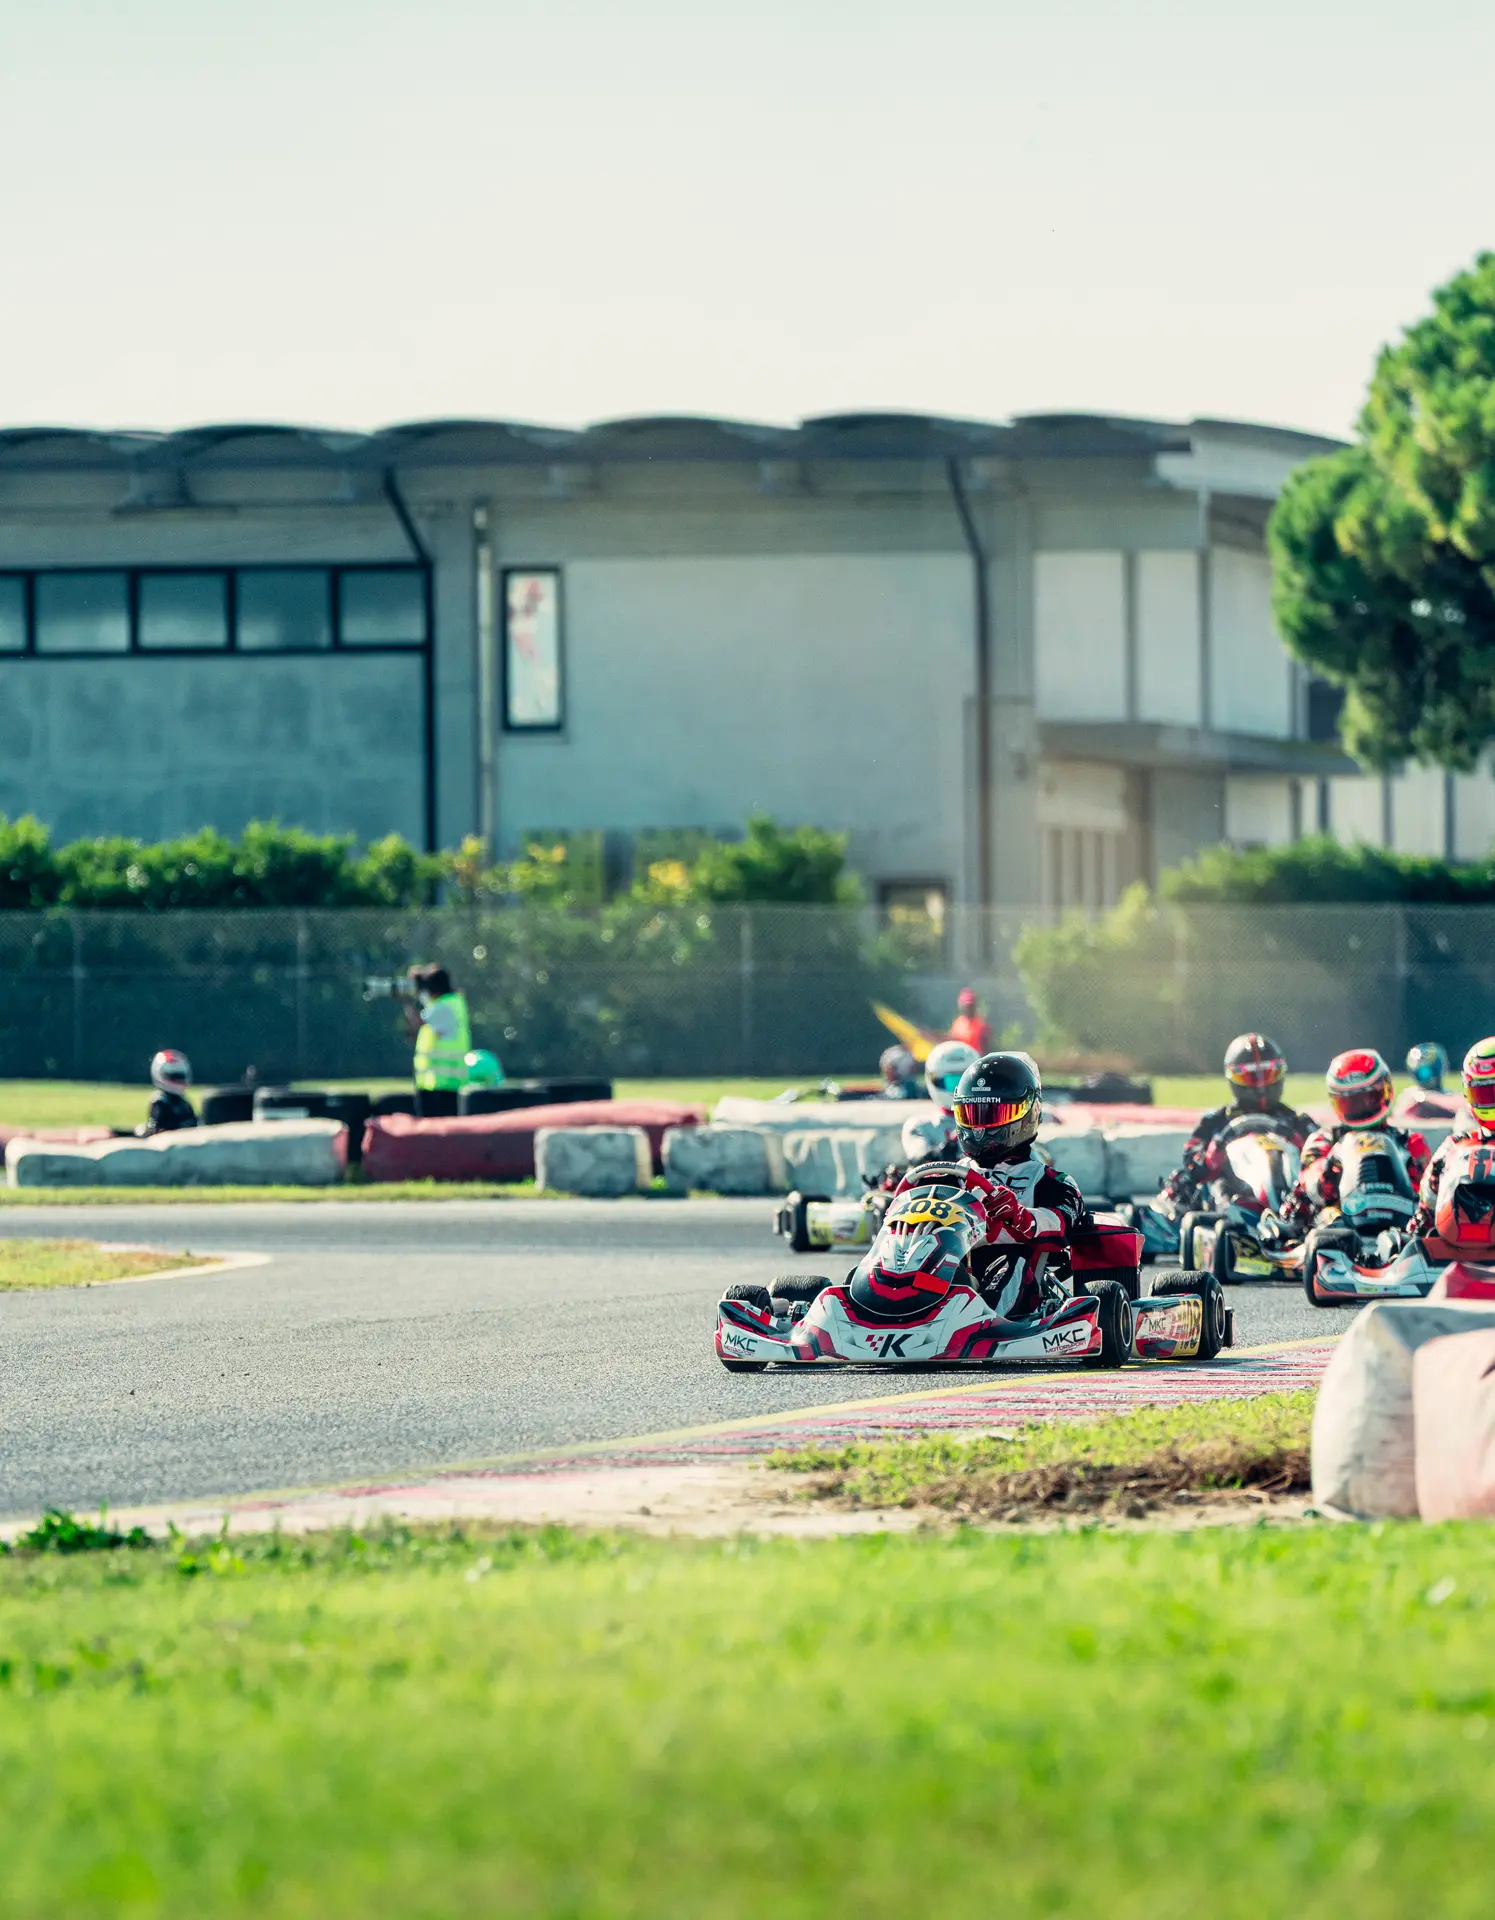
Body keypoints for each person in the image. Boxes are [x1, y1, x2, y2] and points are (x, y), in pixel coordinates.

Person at [892, 1050, 1084, 1320]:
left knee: (1011, 1266)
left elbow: (1062, 1223)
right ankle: (876, 1308)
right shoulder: (948, 1175)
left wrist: (1021, 1217)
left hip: (1010, 1273)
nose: (980, 1129)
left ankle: (981, 1322)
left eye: (992, 1116)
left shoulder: (1049, 1181)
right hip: (947, 1271)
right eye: (972, 1115)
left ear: (1026, 1113)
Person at [1155, 1033, 1313, 1217]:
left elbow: (1323, 1159)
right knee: (1212, 1184)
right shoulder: (1215, 1121)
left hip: (1293, 1197)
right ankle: (1230, 1218)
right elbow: (1192, 1161)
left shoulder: (1297, 1121)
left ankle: (1295, 1215)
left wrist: (1302, 1147)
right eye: (1251, 1077)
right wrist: (1213, 1156)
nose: (1261, 1085)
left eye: (1267, 1074)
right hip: (1235, 1193)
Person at [1276, 1049, 1428, 1239]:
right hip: (1342, 1225)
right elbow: (1312, 1183)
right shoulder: (1323, 1141)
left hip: (1403, 1226)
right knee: (1325, 1216)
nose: (1362, 1107)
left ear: (1386, 1091)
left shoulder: (1410, 1142)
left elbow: (1427, 1192)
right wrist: (1329, 1173)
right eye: (1352, 1102)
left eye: (1369, 1097)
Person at [1405, 1037, 1495, 1241]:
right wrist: (1436, 1184)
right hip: (1460, 1244)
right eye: (1484, 1092)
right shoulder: (1457, 1145)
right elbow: (1427, 1204)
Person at [895, 1039, 980, 1168]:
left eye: (964, 1081)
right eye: (952, 1082)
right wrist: (941, 1154)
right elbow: (919, 1158)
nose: (958, 1088)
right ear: (934, 1080)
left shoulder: (990, 1123)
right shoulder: (921, 1125)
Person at [405, 964, 471, 1116]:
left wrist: (407, 1002)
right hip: (439, 1082)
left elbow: (418, 1021)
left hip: (442, 1084)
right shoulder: (453, 1002)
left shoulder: (445, 1006)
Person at [137, 1049, 197, 1136]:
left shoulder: (184, 1103)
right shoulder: (160, 1102)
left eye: (180, 1076)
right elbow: (156, 1130)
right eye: (173, 1076)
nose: (177, 1079)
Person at [949, 988, 990, 1054]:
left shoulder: (981, 1024)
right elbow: (952, 1042)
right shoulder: (958, 1023)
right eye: (966, 1006)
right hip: (961, 1057)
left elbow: (985, 1049)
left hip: (976, 1058)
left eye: (971, 1006)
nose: (968, 1009)